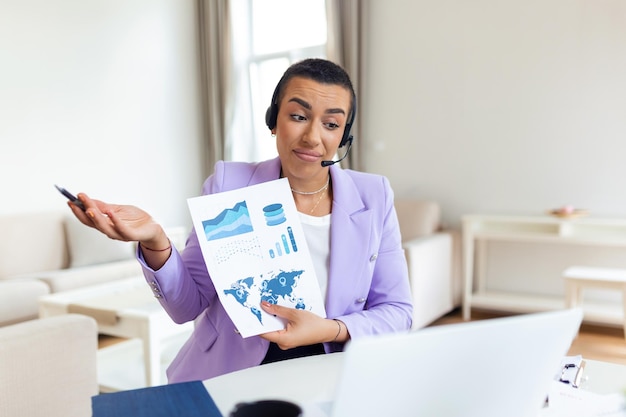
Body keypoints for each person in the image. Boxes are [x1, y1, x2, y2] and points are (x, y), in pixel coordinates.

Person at [67, 58, 413, 382]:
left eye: (332, 124)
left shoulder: (374, 195)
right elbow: (186, 305)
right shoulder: (228, 185)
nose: (313, 137)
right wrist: (155, 240)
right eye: (298, 116)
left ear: (344, 135)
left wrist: (329, 329)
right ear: (273, 120)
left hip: (332, 372)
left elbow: (398, 312)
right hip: (232, 374)